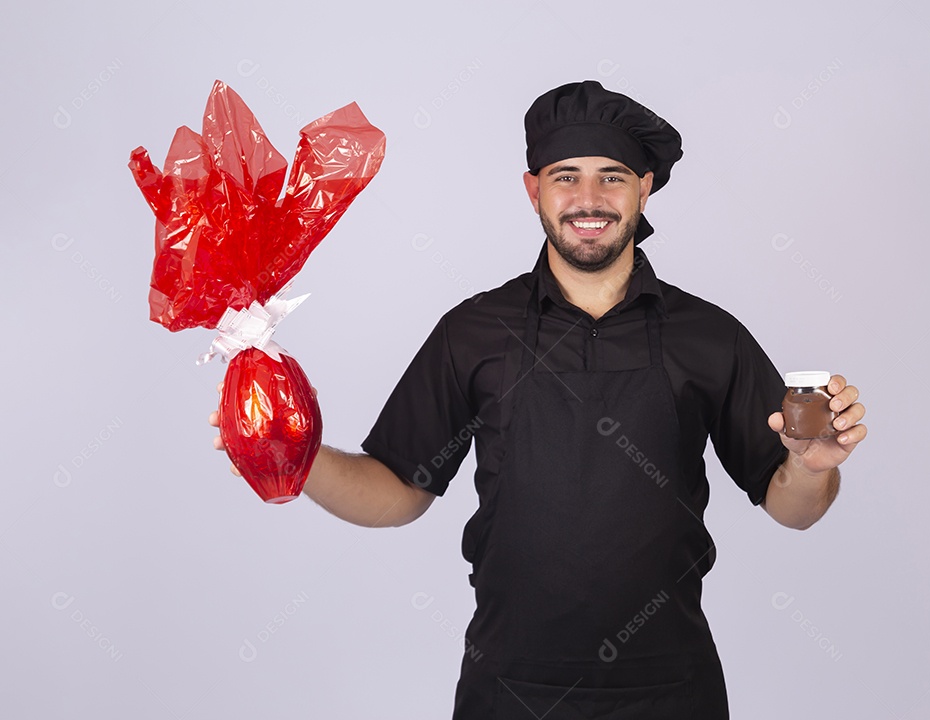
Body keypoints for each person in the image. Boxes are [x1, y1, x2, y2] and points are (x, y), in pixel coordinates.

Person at [210, 80, 867, 719]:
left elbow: (791, 508)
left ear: (645, 187)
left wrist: (813, 467)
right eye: (565, 176)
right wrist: (295, 455)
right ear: (533, 190)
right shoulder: (474, 331)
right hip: (510, 690)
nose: (589, 197)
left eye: (613, 175)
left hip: (672, 690)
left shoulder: (710, 336)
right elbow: (396, 490)